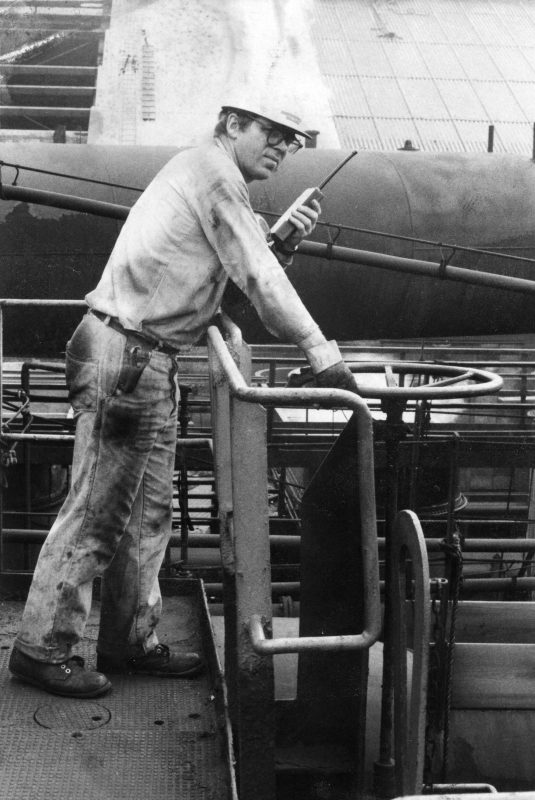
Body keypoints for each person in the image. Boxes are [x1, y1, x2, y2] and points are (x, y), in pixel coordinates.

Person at [9, 100, 359, 698]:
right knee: (94, 514)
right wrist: (323, 355)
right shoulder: (213, 174)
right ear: (231, 125)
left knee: (146, 516)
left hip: (150, 360)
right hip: (128, 358)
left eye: (291, 141)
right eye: (271, 133)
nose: (282, 146)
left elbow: (226, 289)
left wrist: (280, 241)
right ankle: (42, 649)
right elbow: (260, 281)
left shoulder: (210, 178)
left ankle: (130, 643)